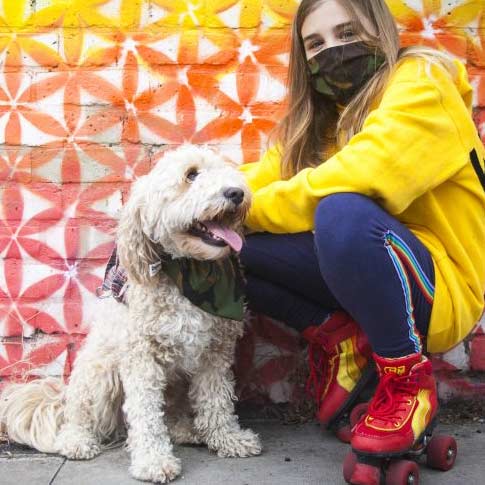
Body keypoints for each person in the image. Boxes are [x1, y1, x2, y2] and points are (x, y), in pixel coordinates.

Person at [238, 0, 485, 461]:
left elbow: (368, 173)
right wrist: (186, 212)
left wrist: (241, 214)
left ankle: (407, 380)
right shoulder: (318, 121)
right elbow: (249, 185)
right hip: (360, 274)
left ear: (379, 29)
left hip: (438, 287)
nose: (334, 51)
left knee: (341, 210)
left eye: (347, 32)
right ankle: (341, 340)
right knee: (215, 249)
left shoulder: (421, 83)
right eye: (316, 43)